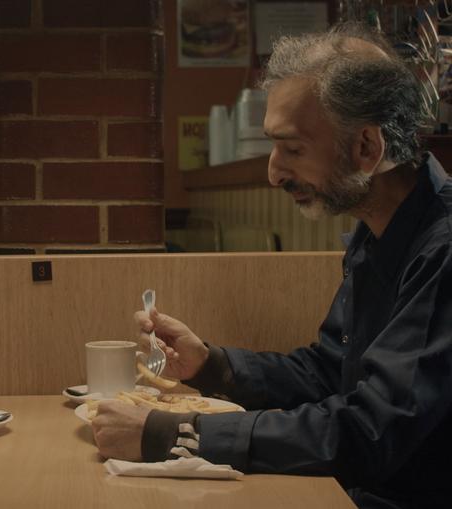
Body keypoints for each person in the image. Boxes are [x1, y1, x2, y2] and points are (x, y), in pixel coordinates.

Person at [92, 22, 452, 509]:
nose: (273, 171)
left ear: (368, 147)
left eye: (294, 149)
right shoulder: (376, 231)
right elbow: (329, 375)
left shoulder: (444, 248)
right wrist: (212, 365)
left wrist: (174, 434)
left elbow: (371, 431)